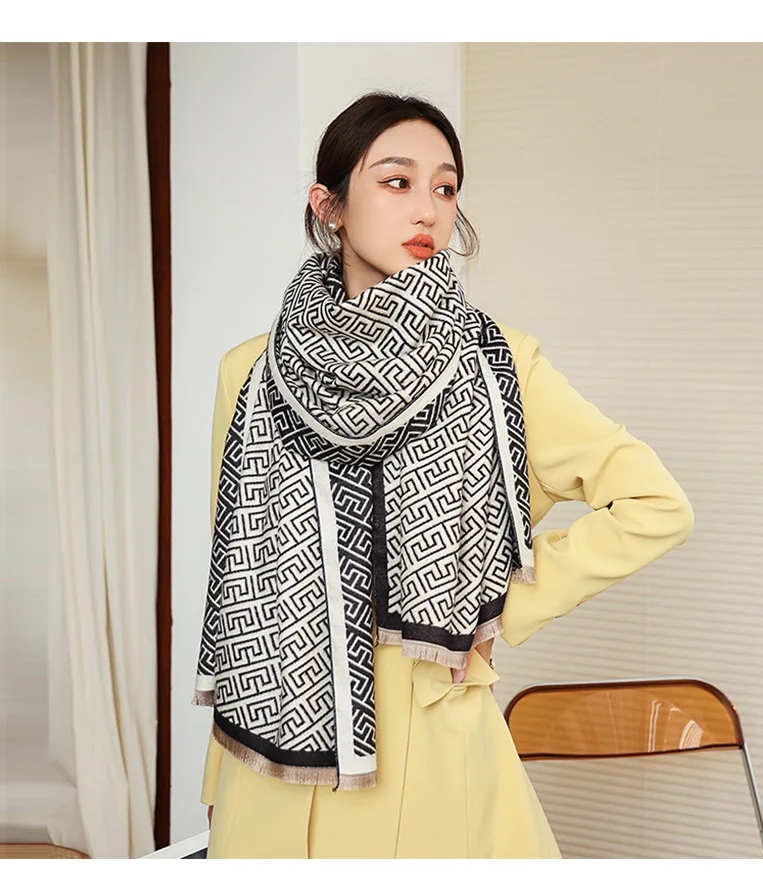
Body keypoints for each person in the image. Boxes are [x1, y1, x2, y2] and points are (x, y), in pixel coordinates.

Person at [193, 91, 694, 859]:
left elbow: (656, 505)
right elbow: (241, 579)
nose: (428, 209)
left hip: (427, 751)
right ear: (329, 206)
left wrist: (497, 604)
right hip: (273, 759)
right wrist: (222, 779)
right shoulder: (251, 373)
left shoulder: (500, 367)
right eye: (397, 182)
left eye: (445, 187)